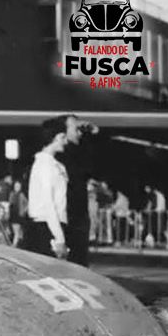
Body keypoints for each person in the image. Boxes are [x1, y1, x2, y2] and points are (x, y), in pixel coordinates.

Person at [23, 116, 69, 259]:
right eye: (63, 137)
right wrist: (59, 238)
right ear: (54, 137)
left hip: (53, 226)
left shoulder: (56, 165)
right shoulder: (44, 165)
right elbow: (48, 203)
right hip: (46, 228)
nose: (66, 141)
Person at [57, 113, 99, 266]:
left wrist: (90, 135)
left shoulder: (77, 151)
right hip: (68, 214)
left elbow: (90, 167)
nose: (79, 133)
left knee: (79, 259)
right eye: (75, 129)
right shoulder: (62, 154)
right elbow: (85, 167)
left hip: (78, 213)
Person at [8, 179, 28, 247]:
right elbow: (10, 205)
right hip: (13, 215)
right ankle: (18, 245)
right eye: (16, 186)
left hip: (19, 215)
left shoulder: (21, 195)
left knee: (17, 232)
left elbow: (27, 203)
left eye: (18, 186)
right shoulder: (12, 194)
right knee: (18, 232)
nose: (17, 188)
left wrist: (24, 210)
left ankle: (14, 246)